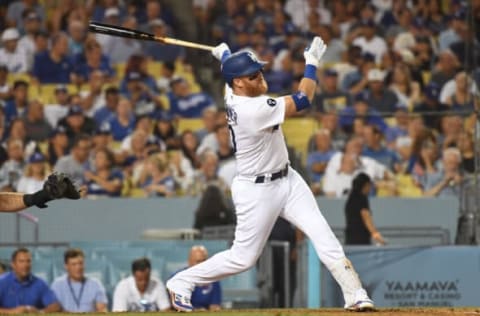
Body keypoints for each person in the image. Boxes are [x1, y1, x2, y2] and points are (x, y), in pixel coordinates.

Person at [166, 38, 374, 311]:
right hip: (256, 190)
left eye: (259, 71)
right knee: (243, 258)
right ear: (238, 82)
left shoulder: (233, 92)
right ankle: (181, 282)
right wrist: (311, 63)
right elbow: (304, 98)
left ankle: (355, 294)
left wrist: (225, 55)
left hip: (287, 179)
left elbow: (231, 73)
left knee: (323, 234)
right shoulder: (253, 109)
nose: (260, 77)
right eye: (253, 75)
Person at [0, 248, 60, 313]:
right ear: (13, 264)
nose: (25, 265)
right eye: (21, 261)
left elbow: (55, 306)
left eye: (28, 261)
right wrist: (12, 312)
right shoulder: (2, 282)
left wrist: (39, 312)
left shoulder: (40, 283)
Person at [172, 246, 222, 311]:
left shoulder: (213, 279)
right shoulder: (178, 279)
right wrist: (197, 311)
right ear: (189, 262)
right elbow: (178, 306)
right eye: (198, 261)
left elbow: (215, 306)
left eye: (204, 261)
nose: (202, 264)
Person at [345, 173, 385, 245]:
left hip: (349, 239)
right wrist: (376, 234)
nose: (370, 188)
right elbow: (366, 217)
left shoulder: (350, 199)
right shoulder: (362, 199)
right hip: (360, 239)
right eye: (369, 185)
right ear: (365, 185)